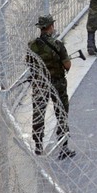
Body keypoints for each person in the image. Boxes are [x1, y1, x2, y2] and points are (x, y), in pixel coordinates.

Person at [28, 14, 75, 159]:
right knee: (61, 112)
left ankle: (38, 146)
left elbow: (30, 63)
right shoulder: (57, 44)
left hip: (40, 84)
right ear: (51, 26)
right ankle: (63, 147)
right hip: (57, 83)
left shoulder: (32, 45)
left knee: (38, 113)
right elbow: (67, 65)